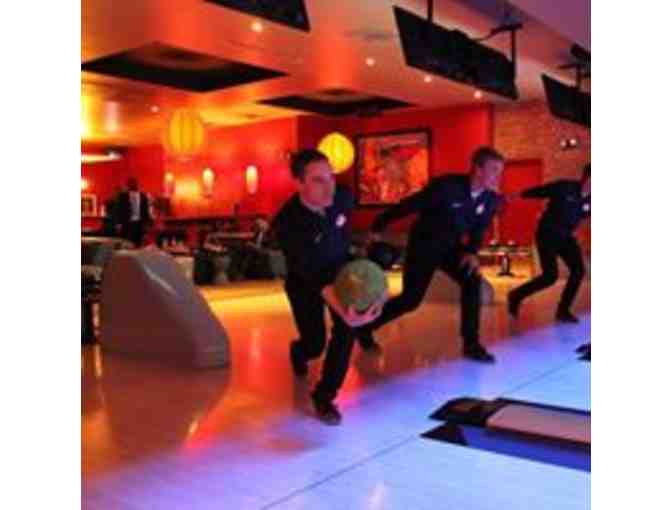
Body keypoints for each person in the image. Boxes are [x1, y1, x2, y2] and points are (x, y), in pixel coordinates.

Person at [272, 149, 386, 425]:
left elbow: (342, 236)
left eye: (331, 177)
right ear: (299, 183)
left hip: (339, 272)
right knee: (315, 345)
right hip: (305, 281)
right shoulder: (287, 224)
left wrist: (374, 282)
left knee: (346, 329)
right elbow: (310, 273)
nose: (329, 187)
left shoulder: (342, 197)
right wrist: (342, 308)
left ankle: (324, 396)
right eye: (318, 180)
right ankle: (299, 351)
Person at [362, 146, 506, 363]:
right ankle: (365, 326)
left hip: (451, 247)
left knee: (472, 281)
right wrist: (379, 224)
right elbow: (410, 204)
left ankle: (471, 344)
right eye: (494, 170)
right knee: (411, 300)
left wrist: (471, 252)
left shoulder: (490, 199)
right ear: (478, 169)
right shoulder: (446, 187)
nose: (498, 177)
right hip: (424, 245)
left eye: (500, 171)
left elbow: (479, 228)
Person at [507, 164, 591, 323]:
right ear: (586, 177)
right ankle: (516, 295)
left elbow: (582, 216)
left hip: (566, 237)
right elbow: (541, 191)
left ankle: (563, 310)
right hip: (547, 234)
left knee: (578, 270)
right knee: (550, 276)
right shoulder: (565, 187)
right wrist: (519, 194)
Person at [116, 177, 151, 247]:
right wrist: (118, 223)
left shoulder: (143, 196)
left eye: (134, 183)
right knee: (126, 243)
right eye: (130, 184)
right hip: (127, 223)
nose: (132, 185)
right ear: (127, 185)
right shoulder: (123, 196)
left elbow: (145, 211)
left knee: (138, 243)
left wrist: (147, 224)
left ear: (136, 184)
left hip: (139, 224)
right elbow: (119, 210)